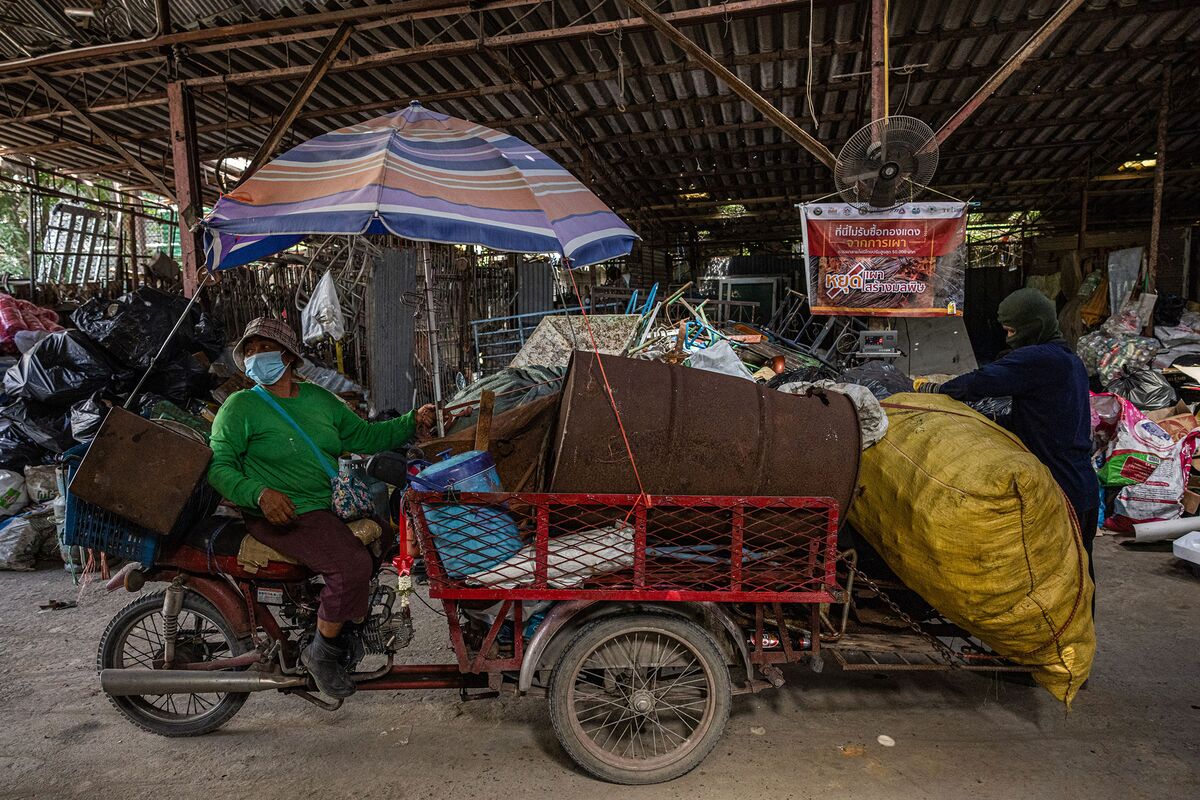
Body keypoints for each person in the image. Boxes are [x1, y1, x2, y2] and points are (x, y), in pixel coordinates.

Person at [208, 317, 435, 698]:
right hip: (281, 513)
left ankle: (340, 627)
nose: (255, 356)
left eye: (264, 348)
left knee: (383, 538)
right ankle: (322, 653)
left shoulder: (317, 399)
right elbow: (218, 465)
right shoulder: (240, 407)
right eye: (249, 350)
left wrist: (413, 421)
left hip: (326, 506)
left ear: (288, 356)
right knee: (350, 565)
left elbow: (364, 435)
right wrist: (260, 494)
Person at [927, 288, 1100, 591]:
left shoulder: (1039, 358)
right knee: (1078, 579)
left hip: (1060, 488)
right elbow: (1044, 419)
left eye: (1012, 330)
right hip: (1081, 484)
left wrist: (936, 392)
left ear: (1033, 325)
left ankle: (1062, 639)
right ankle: (1077, 637)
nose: (1008, 338)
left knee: (1055, 582)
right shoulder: (1068, 361)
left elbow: (982, 381)